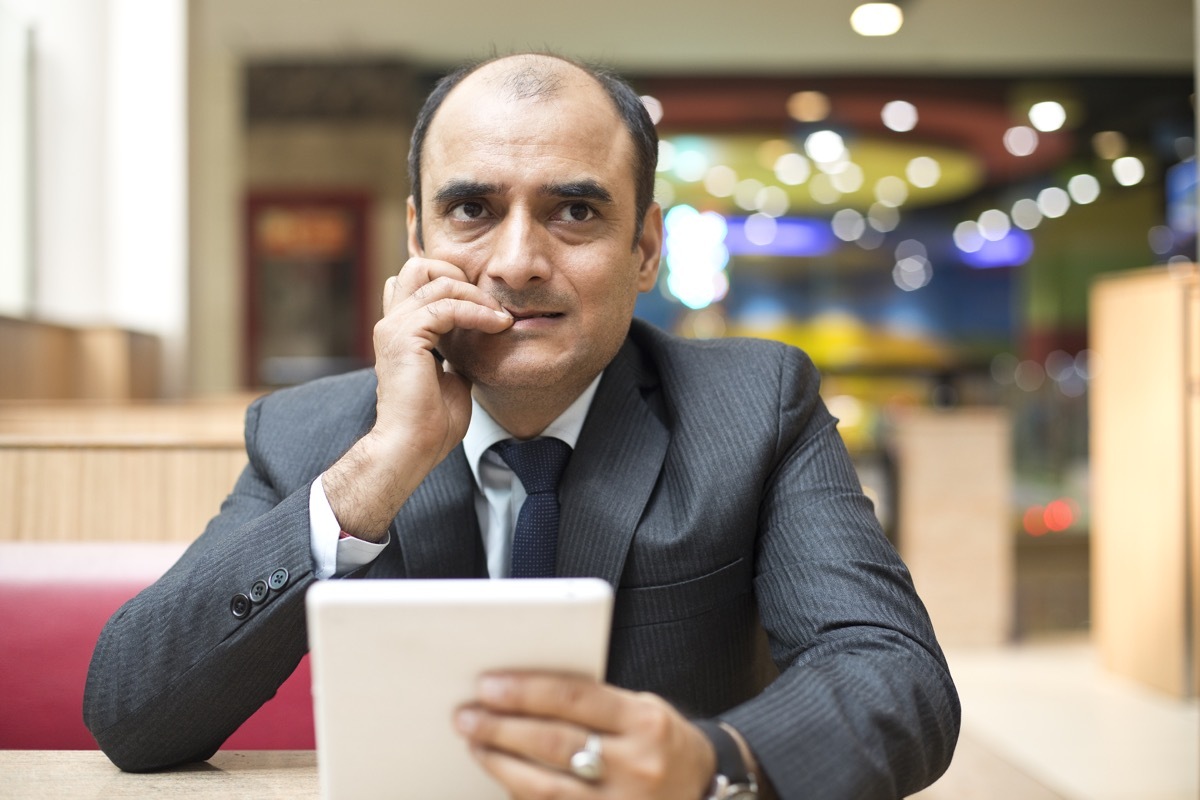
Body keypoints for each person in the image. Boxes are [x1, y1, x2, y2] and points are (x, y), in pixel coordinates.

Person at [84, 52, 959, 799]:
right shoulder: (314, 434)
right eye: (471, 210)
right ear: (416, 233)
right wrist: (385, 462)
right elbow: (132, 713)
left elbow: (897, 678)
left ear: (645, 248)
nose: (516, 263)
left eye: (575, 211)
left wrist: (710, 760)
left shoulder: (755, 406)